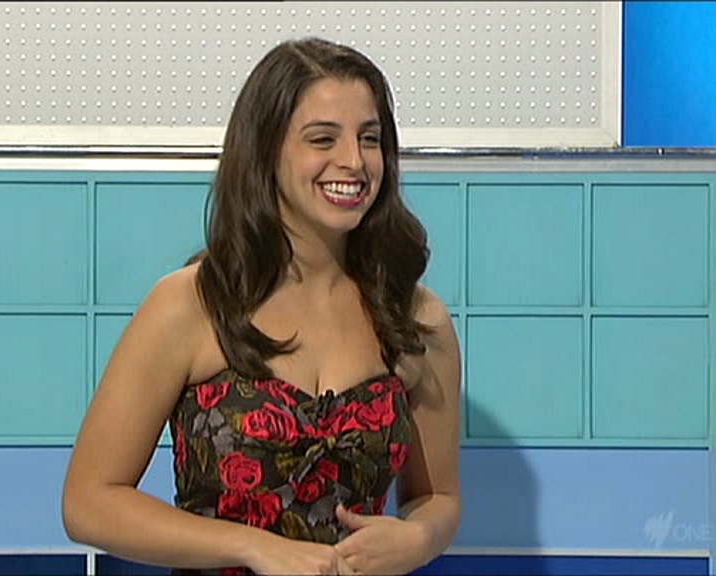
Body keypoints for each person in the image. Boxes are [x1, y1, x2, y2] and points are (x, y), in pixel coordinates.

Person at [62, 37, 461, 575]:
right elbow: (88, 502)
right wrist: (252, 546)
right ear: (266, 150)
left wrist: (421, 538)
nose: (354, 161)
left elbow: (438, 497)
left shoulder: (415, 319)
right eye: (323, 139)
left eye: (369, 139)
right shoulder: (190, 305)